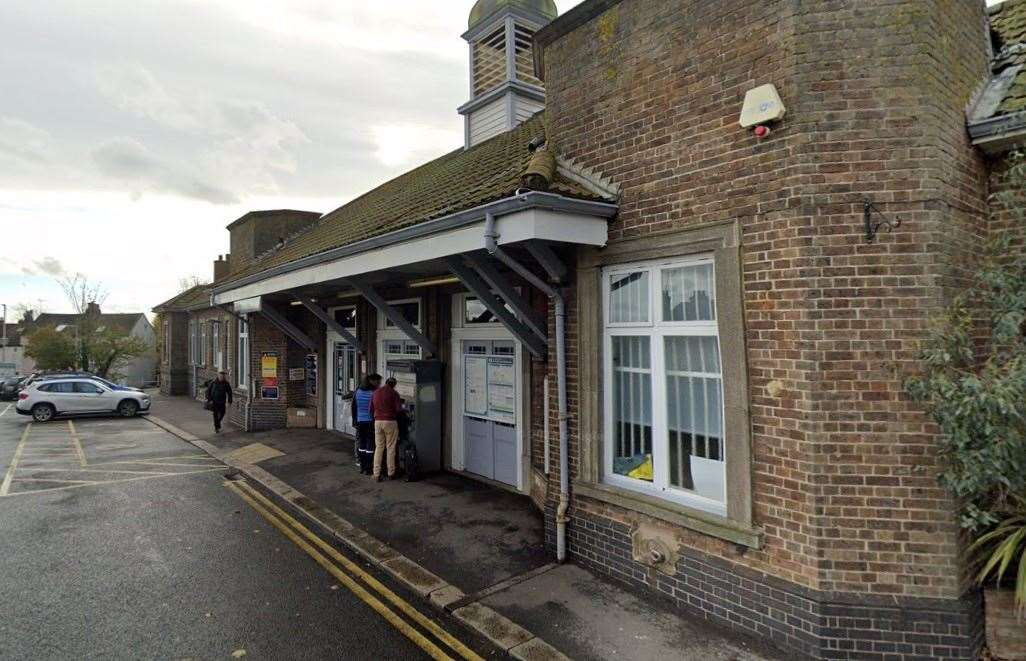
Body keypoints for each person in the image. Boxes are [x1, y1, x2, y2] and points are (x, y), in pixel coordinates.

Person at [369, 377, 402, 482]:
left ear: (386, 382)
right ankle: (391, 473)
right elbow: (398, 409)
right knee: (391, 448)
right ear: (394, 385)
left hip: (377, 422)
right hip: (390, 422)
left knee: (379, 448)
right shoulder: (394, 393)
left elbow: (370, 409)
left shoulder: (376, 392)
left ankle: (376, 474)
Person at [350, 373, 382, 475]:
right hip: (370, 421)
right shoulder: (374, 392)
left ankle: (362, 467)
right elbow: (376, 407)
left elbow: (353, 407)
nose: (379, 384)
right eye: (378, 381)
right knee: (370, 445)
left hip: (360, 421)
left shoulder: (358, 391)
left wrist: (355, 421)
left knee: (361, 444)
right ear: (372, 381)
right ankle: (368, 468)